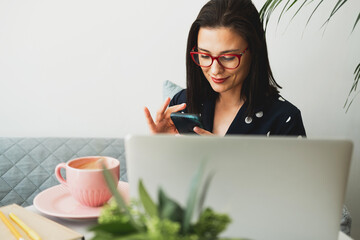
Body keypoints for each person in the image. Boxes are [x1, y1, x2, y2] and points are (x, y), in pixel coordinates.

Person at [144, 0, 306, 136]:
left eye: (228, 58)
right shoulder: (183, 103)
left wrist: (224, 158)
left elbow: (296, 174)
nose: (215, 70)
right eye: (205, 56)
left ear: (254, 52)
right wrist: (160, 145)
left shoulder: (284, 119)